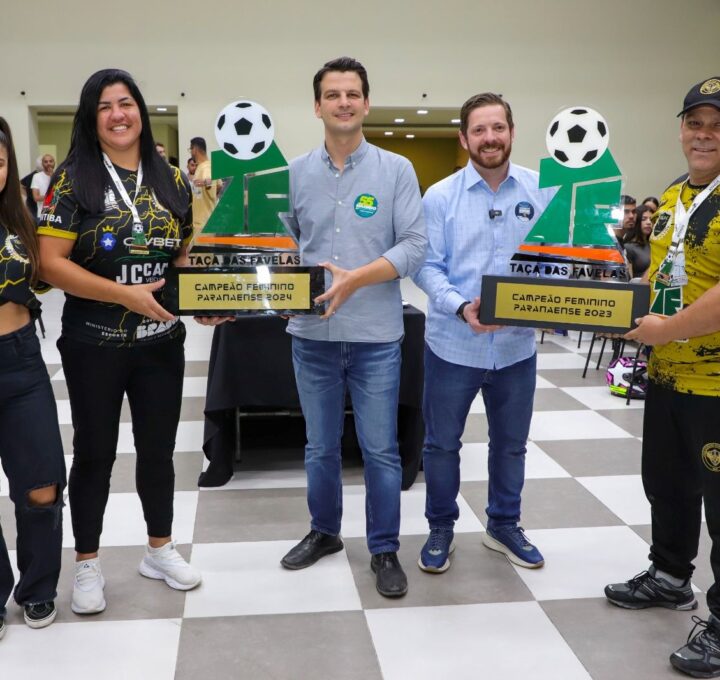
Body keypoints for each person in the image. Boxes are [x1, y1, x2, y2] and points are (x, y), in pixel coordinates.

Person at [37, 68, 201, 616]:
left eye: (125, 102)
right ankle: (86, 563)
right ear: (91, 117)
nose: (117, 114)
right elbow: (49, 263)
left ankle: (159, 549)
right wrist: (121, 294)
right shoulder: (71, 179)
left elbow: (180, 259)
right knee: (95, 455)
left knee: (158, 451)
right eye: (104, 106)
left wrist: (203, 299)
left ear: (141, 110)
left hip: (160, 343)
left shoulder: (172, 178)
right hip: (93, 344)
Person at [280, 56, 426, 598]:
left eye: (353, 93)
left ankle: (384, 548)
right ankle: (324, 532)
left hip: (376, 338)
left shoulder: (396, 171)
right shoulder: (293, 174)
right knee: (319, 448)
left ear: (366, 103)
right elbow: (281, 251)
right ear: (317, 106)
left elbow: (414, 246)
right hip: (311, 337)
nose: (343, 102)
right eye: (333, 94)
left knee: (380, 450)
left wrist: (355, 280)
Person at [604, 76, 720, 678]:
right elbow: (665, 277)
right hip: (669, 375)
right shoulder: (675, 196)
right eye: (694, 123)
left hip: (716, 385)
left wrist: (665, 329)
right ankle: (671, 575)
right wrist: (619, 306)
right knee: (667, 483)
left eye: (716, 126)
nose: (703, 135)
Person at [413, 92, 554, 574]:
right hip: (452, 345)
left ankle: (503, 525)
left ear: (512, 132)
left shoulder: (543, 192)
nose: (490, 138)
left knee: (511, 444)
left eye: (498, 128)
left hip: (516, 349)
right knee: (441, 445)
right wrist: (460, 308)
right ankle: (441, 527)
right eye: (479, 130)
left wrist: (527, 305)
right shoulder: (440, 196)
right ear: (464, 138)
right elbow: (426, 268)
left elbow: (558, 264)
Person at [0, 118, 66, 635]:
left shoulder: (21, 217)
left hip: (20, 361)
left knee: (42, 482)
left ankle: (38, 587)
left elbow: (49, 274)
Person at [189, 136, 217, 235]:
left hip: (203, 225)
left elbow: (209, 180)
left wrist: (205, 183)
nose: (191, 152)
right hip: (207, 223)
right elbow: (220, 186)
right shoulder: (210, 166)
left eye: (191, 149)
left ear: (195, 149)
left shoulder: (205, 167)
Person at [623, 203, 653, 279]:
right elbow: (629, 280)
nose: (649, 222)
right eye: (644, 219)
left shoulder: (653, 245)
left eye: (651, 219)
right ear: (637, 221)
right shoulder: (628, 247)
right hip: (638, 288)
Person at [30, 154, 55, 220]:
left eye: (50, 161)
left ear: (54, 162)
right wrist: (52, 197)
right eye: (46, 162)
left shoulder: (59, 176)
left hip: (56, 214)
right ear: (42, 163)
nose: (48, 163)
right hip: (42, 215)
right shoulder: (37, 176)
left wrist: (52, 177)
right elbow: (36, 197)